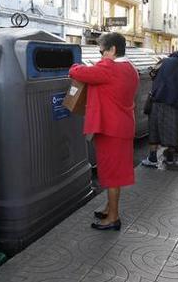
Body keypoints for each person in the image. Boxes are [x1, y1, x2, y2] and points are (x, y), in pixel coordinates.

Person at [69, 33, 139, 231]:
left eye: (102, 51)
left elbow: (78, 72)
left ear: (113, 50)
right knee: (116, 170)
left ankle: (113, 218)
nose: (100, 56)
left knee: (111, 173)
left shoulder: (109, 68)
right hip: (123, 126)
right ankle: (109, 207)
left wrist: (74, 66)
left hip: (110, 129)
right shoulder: (130, 68)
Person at [142, 51, 178, 167]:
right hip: (175, 105)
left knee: (154, 130)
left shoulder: (163, 62)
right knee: (172, 130)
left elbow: (152, 74)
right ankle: (170, 157)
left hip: (157, 102)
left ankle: (153, 158)